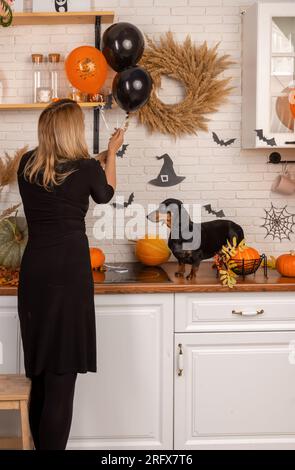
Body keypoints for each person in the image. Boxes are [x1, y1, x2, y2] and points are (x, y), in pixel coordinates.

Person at [17, 99, 124, 450]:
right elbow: (106, 194)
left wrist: (99, 156)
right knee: (62, 378)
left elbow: (57, 182)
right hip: (69, 271)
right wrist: (111, 153)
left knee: (41, 376)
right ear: (71, 130)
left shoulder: (26, 166)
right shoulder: (87, 168)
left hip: (34, 272)